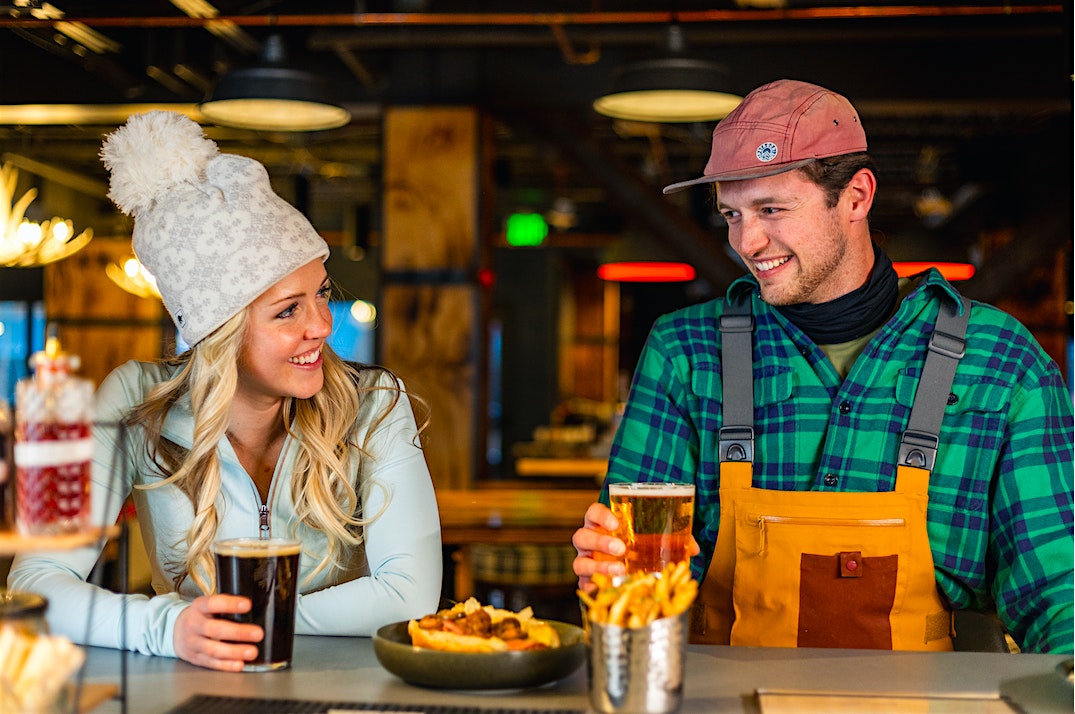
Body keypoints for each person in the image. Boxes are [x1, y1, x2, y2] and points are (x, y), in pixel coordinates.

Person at [572, 79, 1073, 654]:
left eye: (771, 209)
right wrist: (611, 578)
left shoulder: (1001, 363)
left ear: (856, 197)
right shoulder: (684, 351)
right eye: (731, 214)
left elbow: (1059, 591)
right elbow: (636, 583)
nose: (748, 241)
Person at [8, 111, 443, 671]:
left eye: (320, 293)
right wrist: (168, 628)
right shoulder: (137, 400)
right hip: (199, 689)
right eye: (288, 309)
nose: (321, 325)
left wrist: (238, 625)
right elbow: (37, 581)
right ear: (221, 330)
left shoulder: (374, 401)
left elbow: (410, 594)